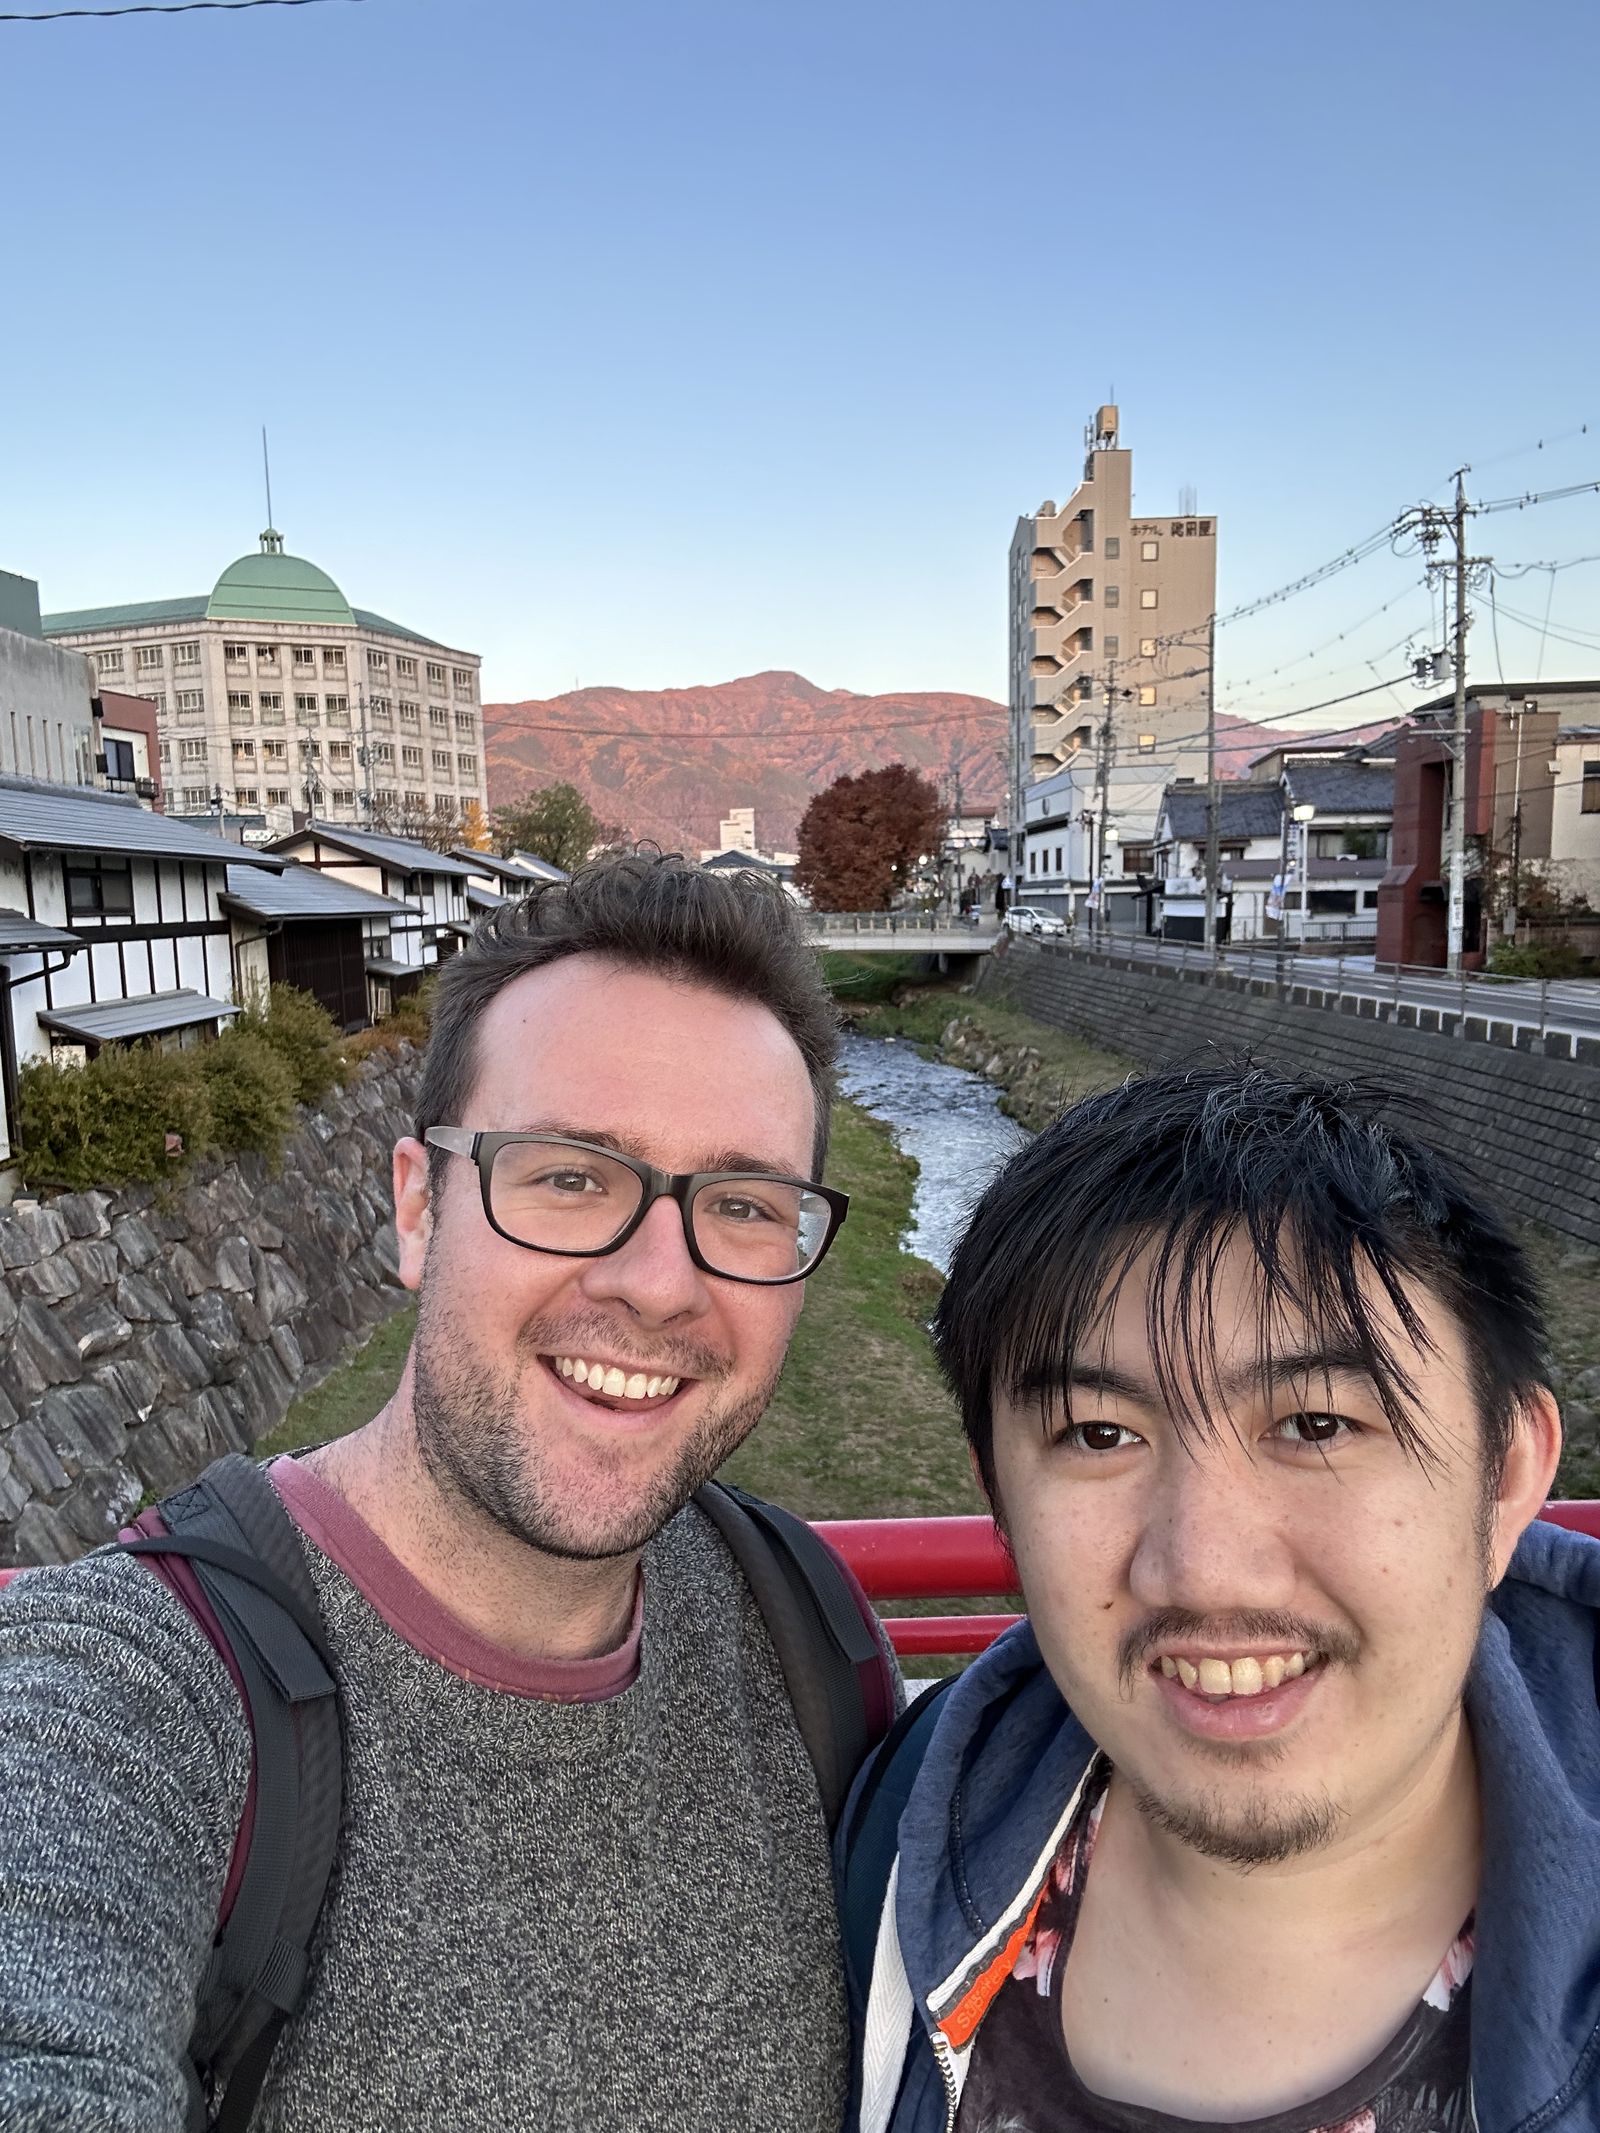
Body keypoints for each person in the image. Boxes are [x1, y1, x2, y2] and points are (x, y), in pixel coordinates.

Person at [0, 853, 896, 2133]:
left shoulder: (801, 1634)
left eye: (744, 1205)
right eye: (572, 1177)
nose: (657, 1284)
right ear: (420, 1210)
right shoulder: (124, 1699)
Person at [841, 1065, 1599, 2133]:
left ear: (1508, 1475)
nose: (1203, 1569)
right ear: (999, 1501)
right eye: (1100, 1436)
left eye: (1317, 1426)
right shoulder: (871, 1857)